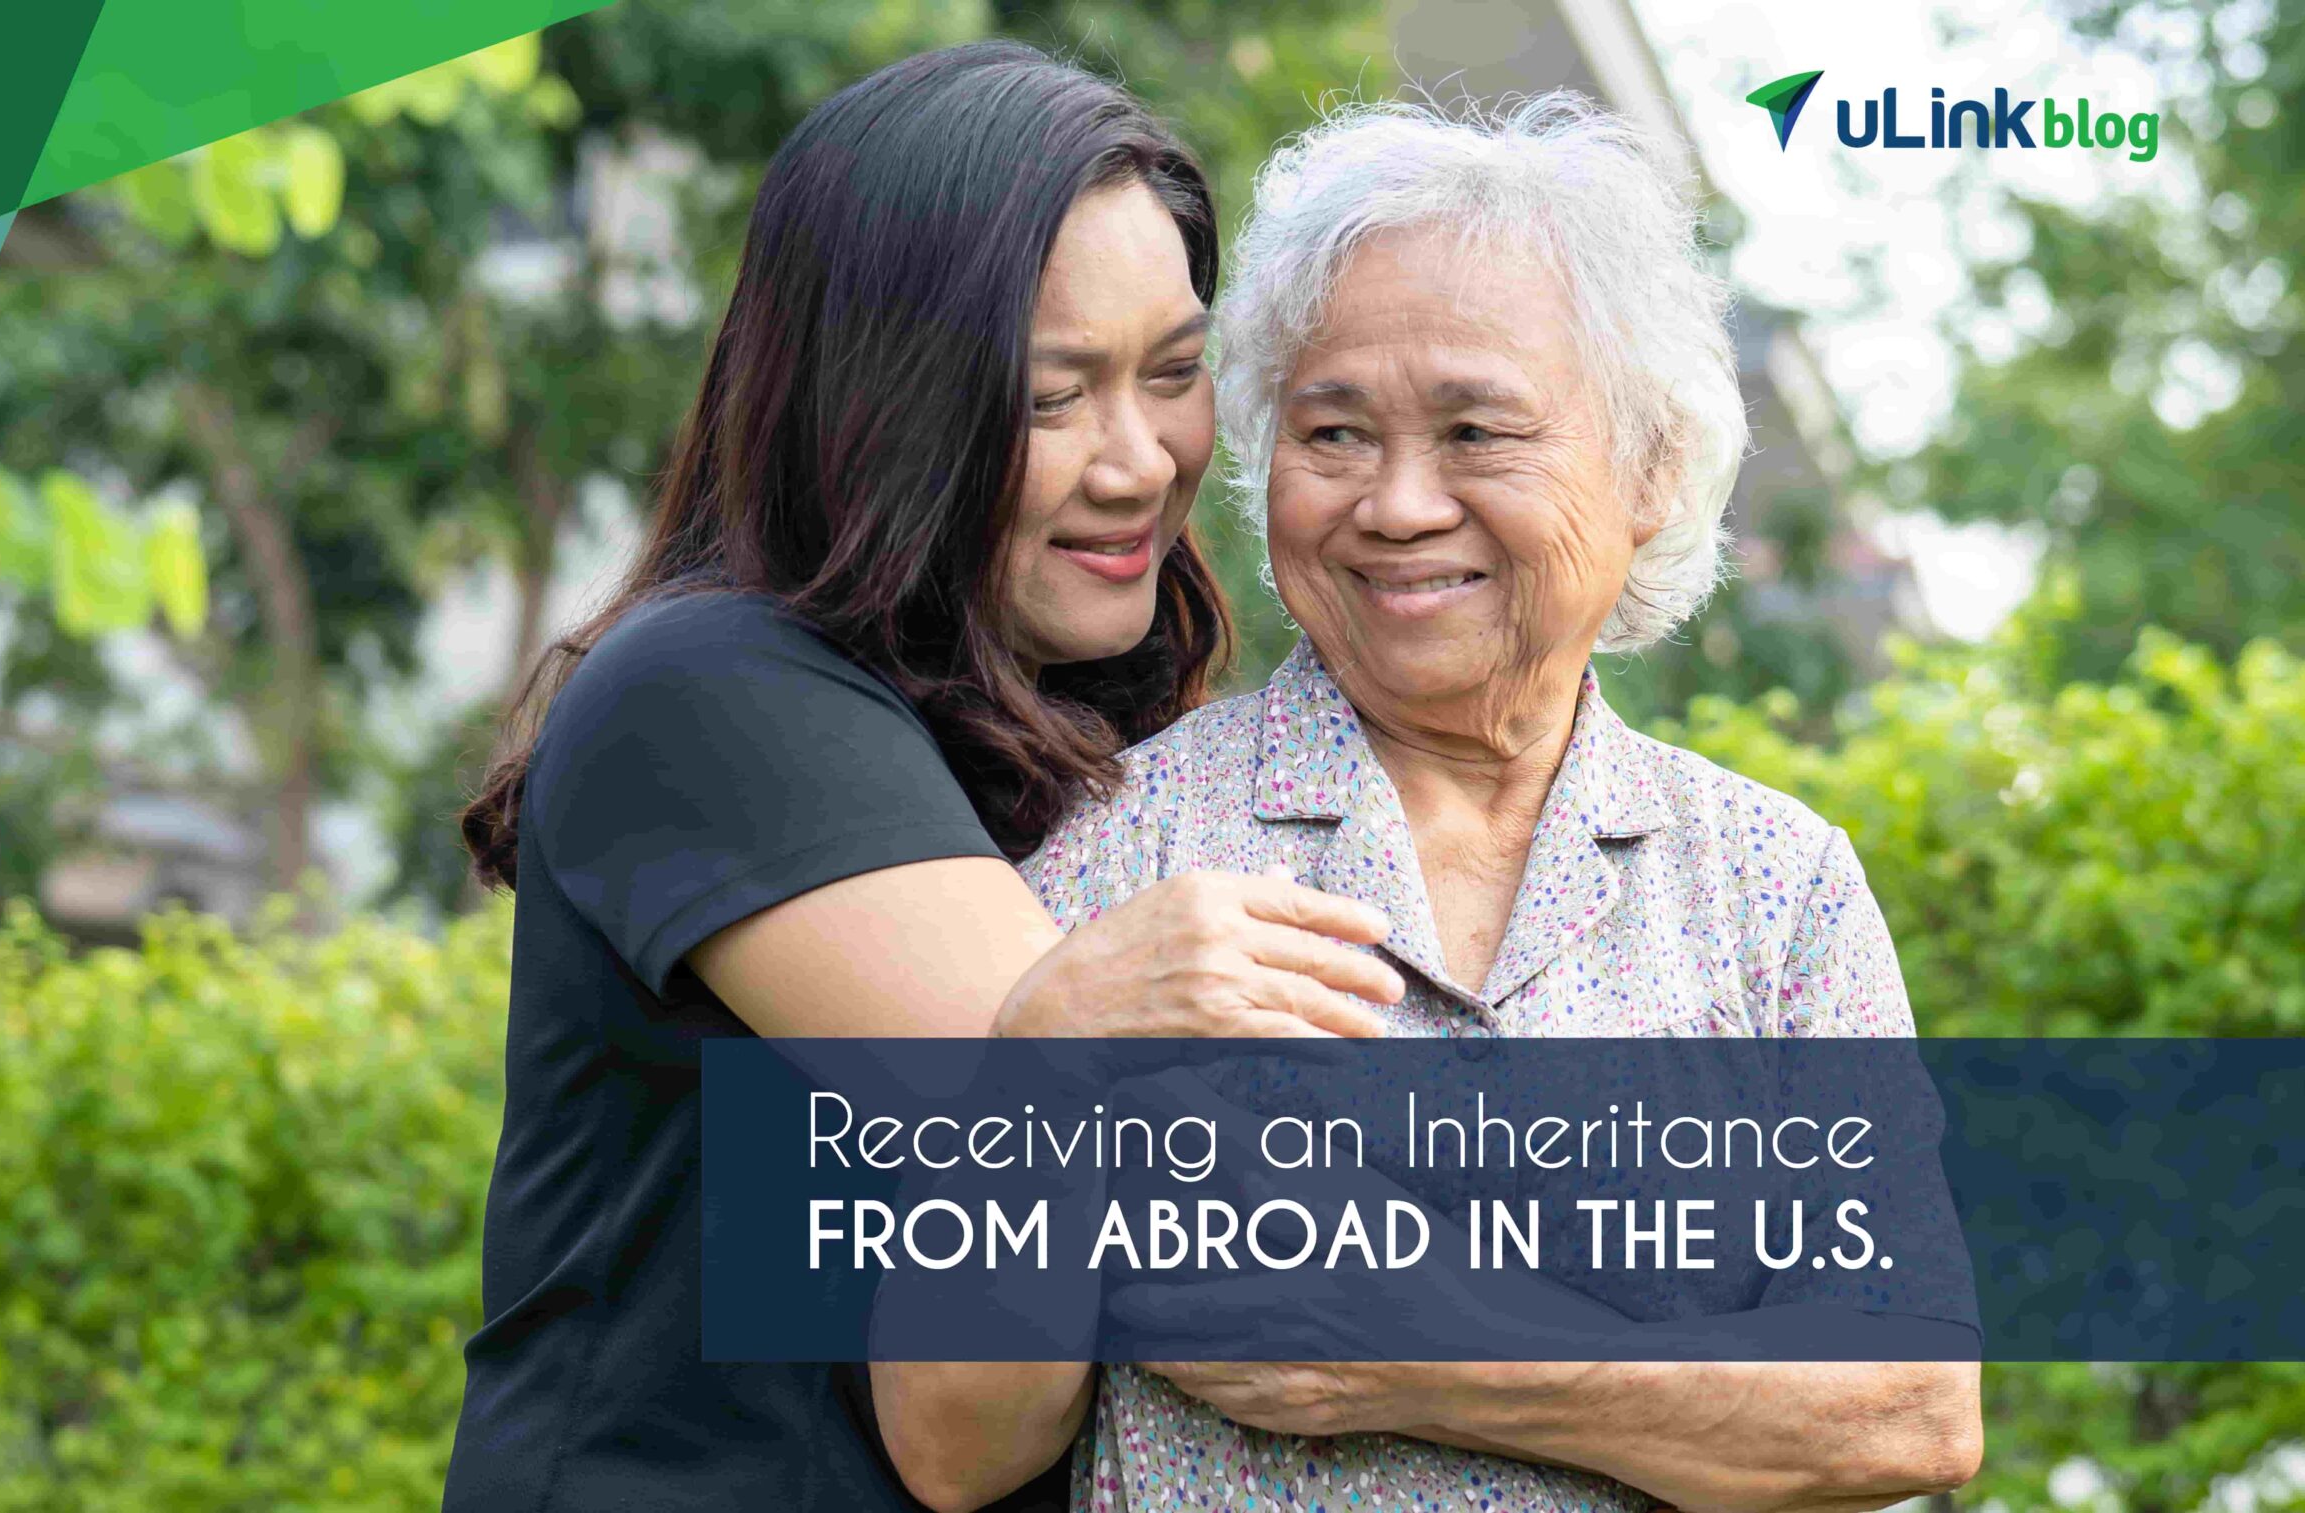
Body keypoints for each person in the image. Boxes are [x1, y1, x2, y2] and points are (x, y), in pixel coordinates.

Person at [877, 96, 1985, 1513]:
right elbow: (955, 1443)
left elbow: (1908, 1408)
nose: (1397, 504)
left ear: (1649, 471)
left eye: (1475, 430)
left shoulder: (1771, 884)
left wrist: (1427, 1349)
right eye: (1332, 433)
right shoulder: (1127, 839)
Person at [441, 42, 1409, 1513]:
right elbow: (1203, 1222)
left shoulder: (1057, 707)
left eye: (1173, 373)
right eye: (1049, 397)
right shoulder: (716, 698)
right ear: (879, 403)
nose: (1138, 461)